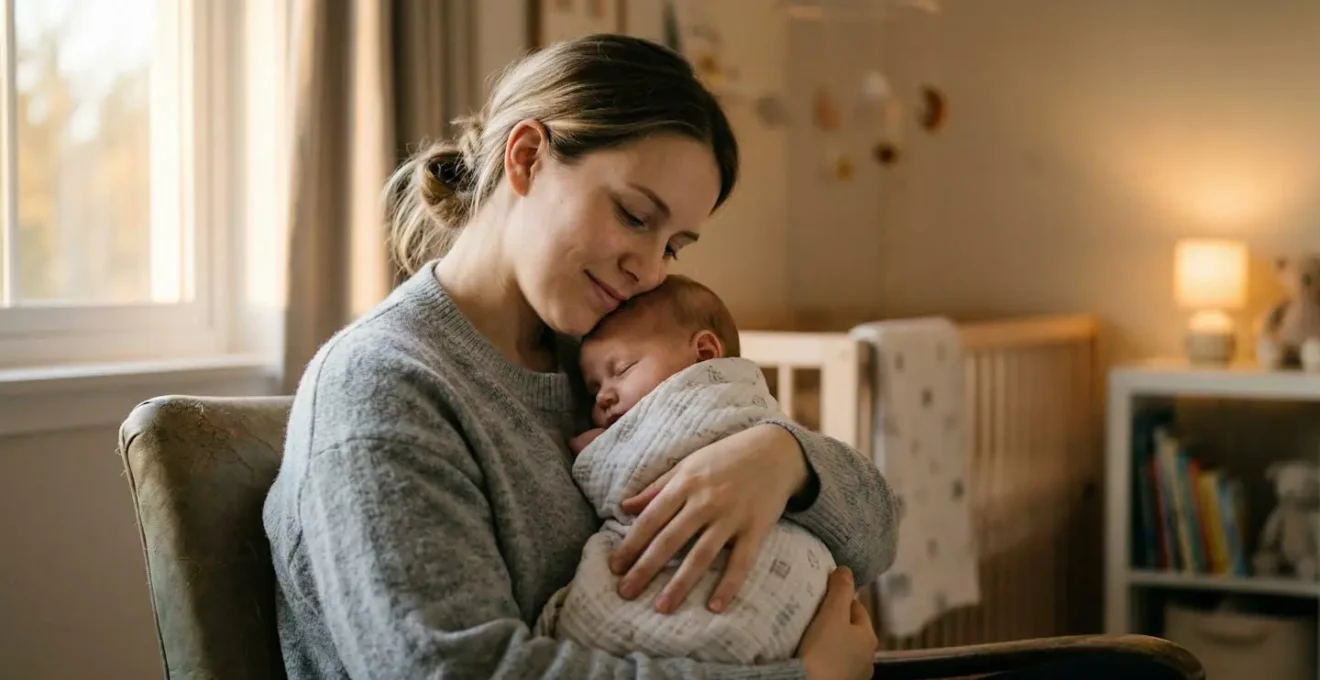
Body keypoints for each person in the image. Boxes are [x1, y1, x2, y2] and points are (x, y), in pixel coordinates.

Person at [262, 33, 898, 680]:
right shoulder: (384, 386)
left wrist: (783, 459)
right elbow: (456, 669)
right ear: (528, 157)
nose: (649, 271)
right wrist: (806, 679)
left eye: (674, 246)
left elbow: (878, 532)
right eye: (633, 216)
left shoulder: (608, 358)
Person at [537, 275, 840, 665]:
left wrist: (598, 454)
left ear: (704, 354)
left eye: (623, 368)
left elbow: (632, 481)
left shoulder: (725, 408)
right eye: (594, 388)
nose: (604, 396)